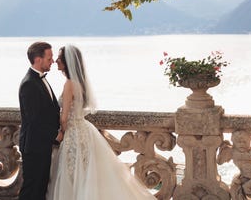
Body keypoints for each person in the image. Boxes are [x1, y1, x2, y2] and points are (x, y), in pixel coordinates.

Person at [47, 44, 156, 200]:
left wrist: (61, 133)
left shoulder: (69, 84)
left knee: (72, 173)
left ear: (67, 62)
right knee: (86, 173)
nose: (56, 60)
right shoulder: (80, 83)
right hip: (84, 130)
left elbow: (64, 117)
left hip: (72, 133)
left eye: (59, 58)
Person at [19, 41, 62, 200]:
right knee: (31, 189)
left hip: (41, 145)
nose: (52, 61)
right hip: (33, 146)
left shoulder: (39, 80)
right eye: (49, 58)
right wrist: (55, 135)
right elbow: (34, 120)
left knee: (40, 188)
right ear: (38, 59)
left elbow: (48, 112)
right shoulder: (29, 84)